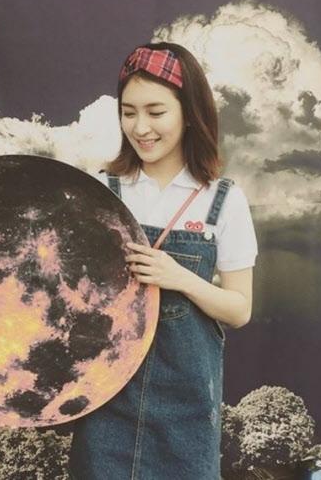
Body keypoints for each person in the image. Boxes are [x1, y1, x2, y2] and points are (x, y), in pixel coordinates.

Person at [67, 42, 258, 480]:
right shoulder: (103, 191)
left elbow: (239, 309)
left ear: (189, 113)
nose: (141, 127)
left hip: (187, 415)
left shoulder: (222, 200)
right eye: (128, 112)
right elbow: (69, 305)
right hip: (106, 409)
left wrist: (181, 278)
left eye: (156, 112)